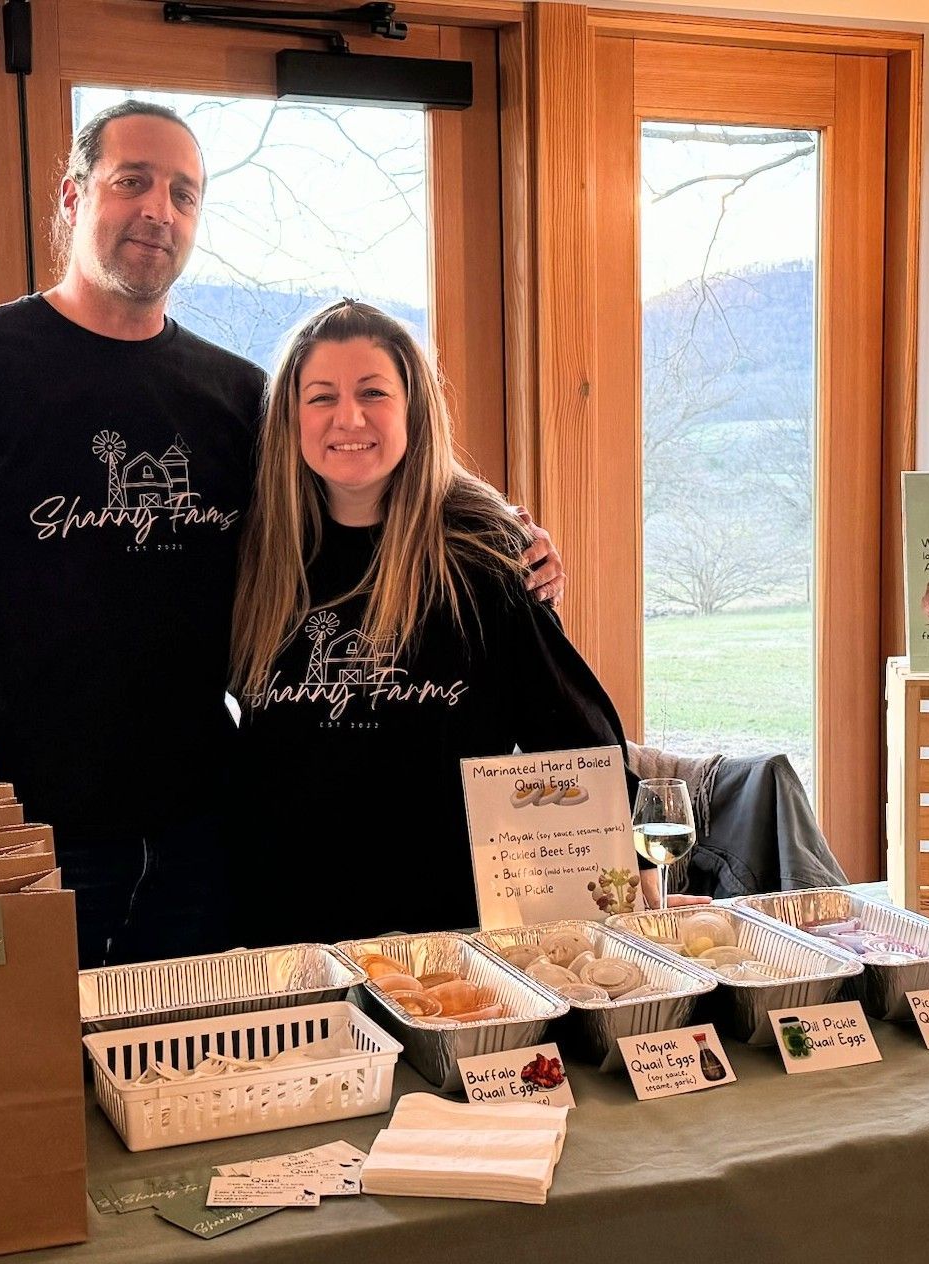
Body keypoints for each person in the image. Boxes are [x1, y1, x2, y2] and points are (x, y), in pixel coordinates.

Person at [0, 101, 562, 968]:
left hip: (202, 837)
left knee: (195, 1084)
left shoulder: (235, 397)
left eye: (183, 193)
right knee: (17, 1085)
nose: (158, 210)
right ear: (71, 198)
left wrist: (499, 531)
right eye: (131, 181)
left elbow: (362, 474)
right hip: (13, 838)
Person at [231, 299, 650, 943]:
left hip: (450, 942)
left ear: (414, 409)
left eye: (374, 392)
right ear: (290, 416)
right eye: (321, 397)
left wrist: (632, 870)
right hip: (283, 937)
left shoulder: (485, 556)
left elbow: (575, 738)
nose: (349, 417)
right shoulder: (255, 557)